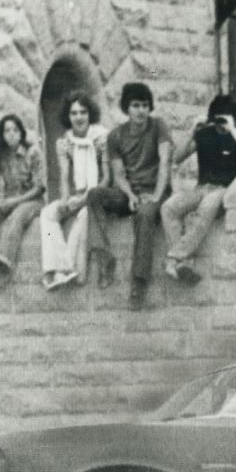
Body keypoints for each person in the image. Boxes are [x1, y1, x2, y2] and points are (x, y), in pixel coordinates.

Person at [86, 82, 173, 308]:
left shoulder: (159, 126)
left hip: (157, 191)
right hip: (130, 192)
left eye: (145, 105)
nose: (141, 110)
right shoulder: (115, 135)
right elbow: (118, 174)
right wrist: (130, 195)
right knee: (95, 195)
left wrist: (155, 195)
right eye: (135, 105)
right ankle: (105, 259)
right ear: (127, 108)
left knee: (145, 215)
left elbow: (165, 163)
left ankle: (138, 283)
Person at [162, 94, 236, 284]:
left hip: (225, 190)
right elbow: (177, 157)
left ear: (233, 118)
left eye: (224, 120)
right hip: (201, 188)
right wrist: (192, 130)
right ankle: (184, 263)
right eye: (218, 120)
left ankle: (174, 256)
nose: (220, 125)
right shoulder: (205, 134)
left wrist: (233, 130)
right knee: (169, 207)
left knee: (206, 207)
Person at [38, 92, 109, 290]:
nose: (78, 117)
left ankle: (64, 270)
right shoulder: (64, 142)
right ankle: (62, 266)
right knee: (48, 213)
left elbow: (107, 179)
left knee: (85, 214)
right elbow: (64, 176)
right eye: (74, 113)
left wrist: (86, 198)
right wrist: (64, 199)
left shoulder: (102, 137)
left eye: (83, 112)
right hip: (78, 194)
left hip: (100, 195)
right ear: (68, 117)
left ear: (90, 114)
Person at [0, 114, 45, 293]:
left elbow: (39, 188)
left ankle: (3, 267)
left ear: (21, 132)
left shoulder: (33, 152)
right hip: (6, 201)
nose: (11, 134)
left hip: (30, 200)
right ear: (2, 134)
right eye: (7, 131)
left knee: (17, 216)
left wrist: (14, 201)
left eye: (15, 130)